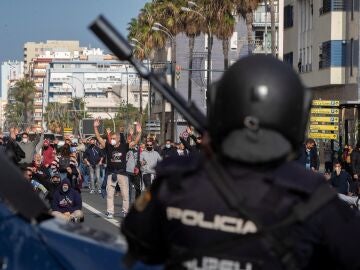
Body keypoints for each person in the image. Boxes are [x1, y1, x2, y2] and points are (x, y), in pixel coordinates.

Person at [122, 55, 360, 270]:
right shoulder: (313, 197)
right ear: (298, 115)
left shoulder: (177, 181)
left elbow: (141, 245)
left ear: (219, 105)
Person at [94, 119, 142, 219]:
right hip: (111, 174)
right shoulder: (108, 146)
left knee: (125, 195)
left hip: (122, 174)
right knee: (110, 194)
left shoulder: (125, 146)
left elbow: (136, 141)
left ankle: (125, 211)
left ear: (119, 139)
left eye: (114, 138)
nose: (112, 139)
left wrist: (139, 132)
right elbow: (98, 138)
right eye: (111, 138)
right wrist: (95, 127)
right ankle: (110, 212)